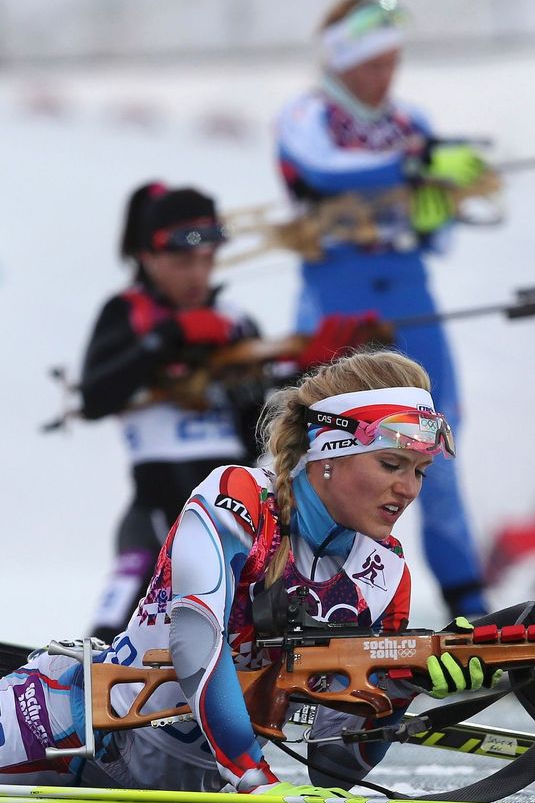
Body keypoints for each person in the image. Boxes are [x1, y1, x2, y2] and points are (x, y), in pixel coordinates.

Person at [0, 350, 499, 792]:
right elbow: (196, 640)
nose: (409, 489)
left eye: (419, 471)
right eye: (392, 464)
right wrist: (250, 773)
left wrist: (399, 685)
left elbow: (332, 765)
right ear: (328, 452)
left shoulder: (386, 573)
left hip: (195, 786)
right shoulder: (239, 498)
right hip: (59, 728)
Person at [274, 0, 492, 617]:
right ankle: (293, 590)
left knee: (437, 445)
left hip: (410, 299)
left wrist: (439, 204)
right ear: (341, 61)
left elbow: (438, 232)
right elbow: (325, 167)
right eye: (371, 65)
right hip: (336, 301)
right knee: (323, 447)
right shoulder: (306, 115)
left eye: (392, 63)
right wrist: (415, 164)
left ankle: (471, 607)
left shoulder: (411, 120)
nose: (384, 77)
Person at [81, 184, 373, 643]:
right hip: (158, 509)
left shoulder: (238, 325)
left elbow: (257, 434)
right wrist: (171, 335)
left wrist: (308, 375)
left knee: (258, 628)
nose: (198, 274)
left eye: (208, 260)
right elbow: (95, 396)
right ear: (148, 256)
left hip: (234, 510)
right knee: (110, 632)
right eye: (183, 262)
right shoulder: (129, 314)